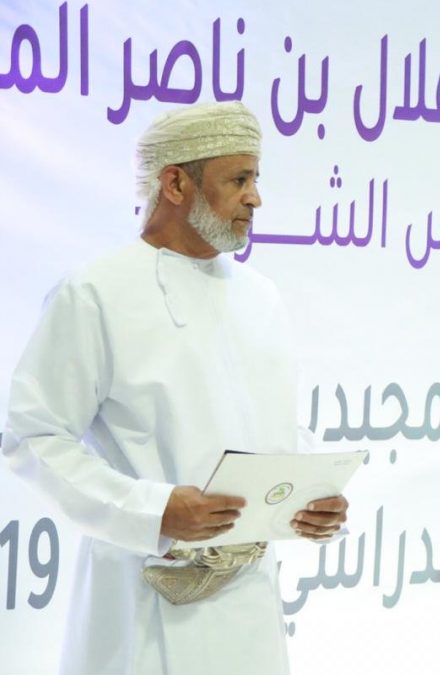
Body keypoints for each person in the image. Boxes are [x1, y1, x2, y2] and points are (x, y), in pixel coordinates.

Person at [2, 101, 347, 675]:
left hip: (252, 606)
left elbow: (277, 430)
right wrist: (153, 512)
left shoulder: (261, 297)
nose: (256, 198)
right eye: (239, 180)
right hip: (142, 604)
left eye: (256, 179)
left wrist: (312, 495)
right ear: (176, 184)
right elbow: (34, 438)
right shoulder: (95, 293)